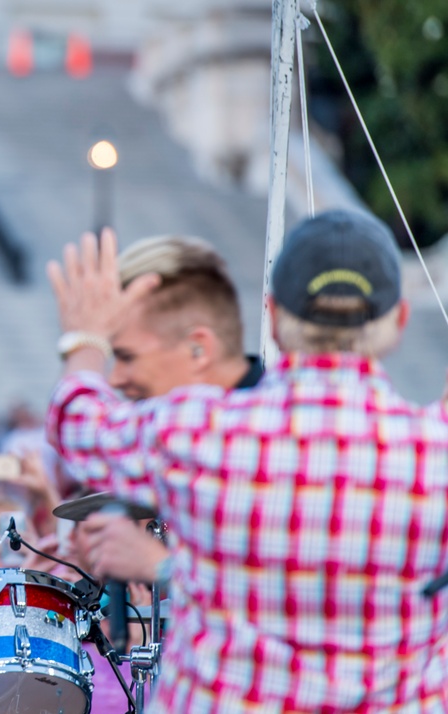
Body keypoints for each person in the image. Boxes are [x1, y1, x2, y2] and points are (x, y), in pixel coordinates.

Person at [47, 213, 448, 712]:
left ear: (274, 317)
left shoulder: (200, 429)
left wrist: (85, 341)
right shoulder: (436, 451)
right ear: (399, 321)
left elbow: (77, 421)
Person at [63, 233, 262, 584]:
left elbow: (77, 424)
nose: (116, 379)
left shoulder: (207, 433)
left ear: (198, 349)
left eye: (126, 356)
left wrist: (84, 342)